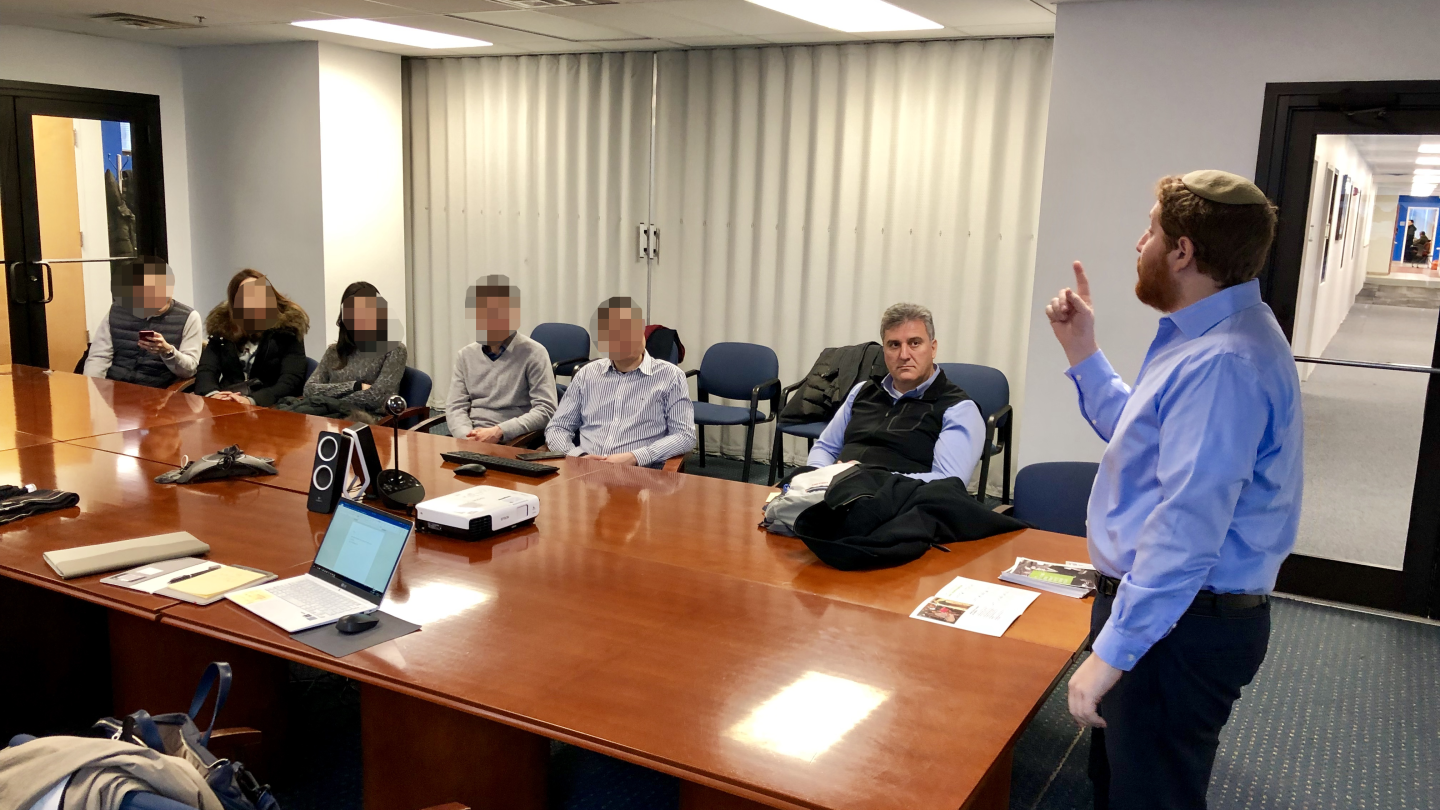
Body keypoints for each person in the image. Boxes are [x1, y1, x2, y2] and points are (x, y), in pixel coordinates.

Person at [1044, 170, 1302, 810]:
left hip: (1179, 626)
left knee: (1151, 797)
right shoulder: (1214, 335)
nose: (1140, 243)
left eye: (1151, 230)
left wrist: (1113, 653)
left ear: (1182, 251)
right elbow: (1144, 440)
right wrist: (1083, 351)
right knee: (1122, 786)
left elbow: (1186, 529)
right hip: (1170, 613)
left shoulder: (1224, 361)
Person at [807, 303, 985, 483]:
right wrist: (817, 479)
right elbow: (825, 448)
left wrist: (863, 478)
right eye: (894, 345)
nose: (904, 355)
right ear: (884, 351)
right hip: (833, 489)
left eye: (914, 343)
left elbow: (947, 482)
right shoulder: (862, 391)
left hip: (901, 498)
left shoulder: (957, 409)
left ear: (933, 348)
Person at [545, 296, 695, 467]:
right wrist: (577, 456)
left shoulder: (670, 376)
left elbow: (684, 436)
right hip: (584, 472)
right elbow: (558, 428)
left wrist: (636, 457)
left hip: (639, 474)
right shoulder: (587, 374)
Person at [444, 276, 557, 442]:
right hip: (471, 438)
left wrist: (500, 431)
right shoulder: (465, 355)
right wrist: (466, 436)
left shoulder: (534, 353)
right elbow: (455, 406)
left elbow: (546, 409)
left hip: (513, 439)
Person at [286, 281, 407, 420]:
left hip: (367, 420)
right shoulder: (333, 351)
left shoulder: (394, 350)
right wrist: (355, 386)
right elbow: (309, 390)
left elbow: (377, 397)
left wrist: (329, 401)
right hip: (328, 416)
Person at [194, 269, 310, 406]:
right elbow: (206, 370)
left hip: (269, 405)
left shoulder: (287, 329)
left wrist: (251, 400)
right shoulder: (223, 328)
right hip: (228, 403)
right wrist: (214, 394)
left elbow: (290, 381)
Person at [82, 256, 202, 388]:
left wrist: (167, 351)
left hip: (157, 393)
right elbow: (99, 357)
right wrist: (92, 390)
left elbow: (189, 370)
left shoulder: (189, 317)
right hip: (114, 388)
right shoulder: (118, 310)